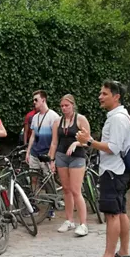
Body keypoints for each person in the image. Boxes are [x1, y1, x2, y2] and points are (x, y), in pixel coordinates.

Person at [76, 80, 130, 257]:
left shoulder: (117, 118)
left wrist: (89, 141)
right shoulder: (120, 115)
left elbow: (113, 148)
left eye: (104, 94)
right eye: (100, 93)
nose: (100, 96)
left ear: (116, 97)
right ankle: (123, 253)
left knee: (112, 214)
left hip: (112, 171)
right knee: (121, 211)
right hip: (119, 171)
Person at [48, 94, 91, 236]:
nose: (64, 108)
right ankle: (69, 220)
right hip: (61, 156)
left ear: (73, 105)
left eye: (67, 105)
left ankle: (83, 224)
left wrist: (76, 143)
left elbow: (88, 140)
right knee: (66, 189)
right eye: (62, 106)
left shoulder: (80, 119)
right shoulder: (57, 122)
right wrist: (51, 159)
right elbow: (54, 142)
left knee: (75, 190)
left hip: (77, 157)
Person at [25, 90, 60, 219]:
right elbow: (33, 136)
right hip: (35, 152)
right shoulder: (35, 117)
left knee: (48, 180)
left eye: (36, 100)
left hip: (46, 154)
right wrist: (28, 151)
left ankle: (52, 206)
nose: (34, 102)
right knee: (33, 177)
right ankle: (33, 204)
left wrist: (52, 158)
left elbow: (55, 139)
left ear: (43, 100)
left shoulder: (53, 116)